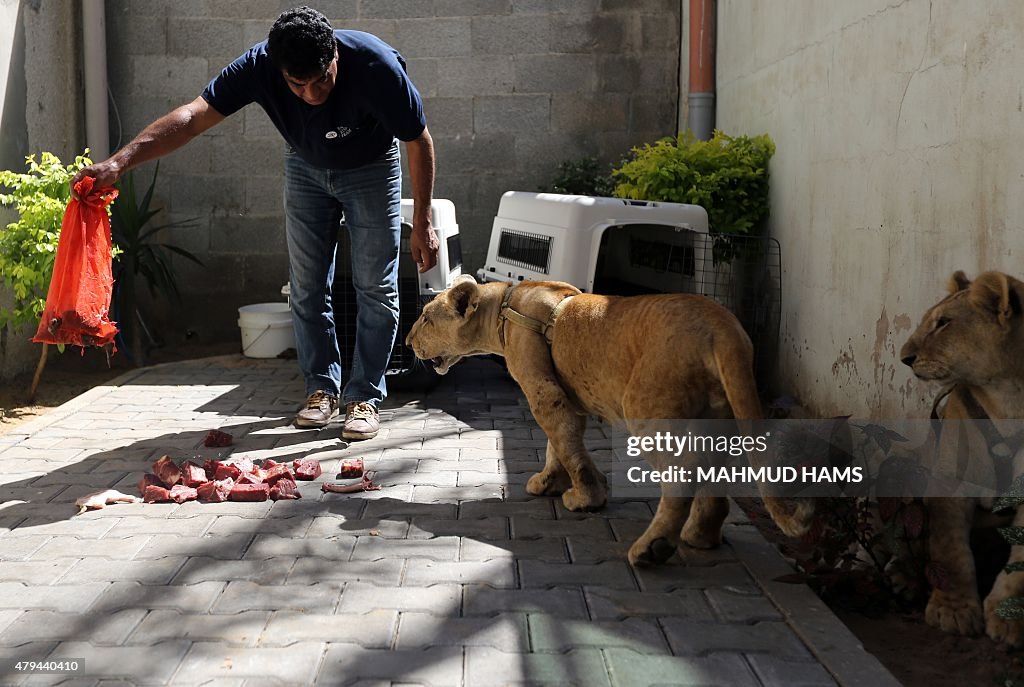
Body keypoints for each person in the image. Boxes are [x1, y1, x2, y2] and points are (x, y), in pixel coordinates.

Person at [73, 6, 438, 441]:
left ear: (335, 54)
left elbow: (419, 140)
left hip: (372, 168)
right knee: (306, 285)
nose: (313, 94)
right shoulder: (257, 65)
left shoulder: (376, 65)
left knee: (375, 286)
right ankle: (321, 389)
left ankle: (364, 398)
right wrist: (119, 162)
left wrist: (422, 221)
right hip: (305, 167)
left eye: (322, 78)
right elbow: (192, 118)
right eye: (297, 85)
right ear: (278, 70)